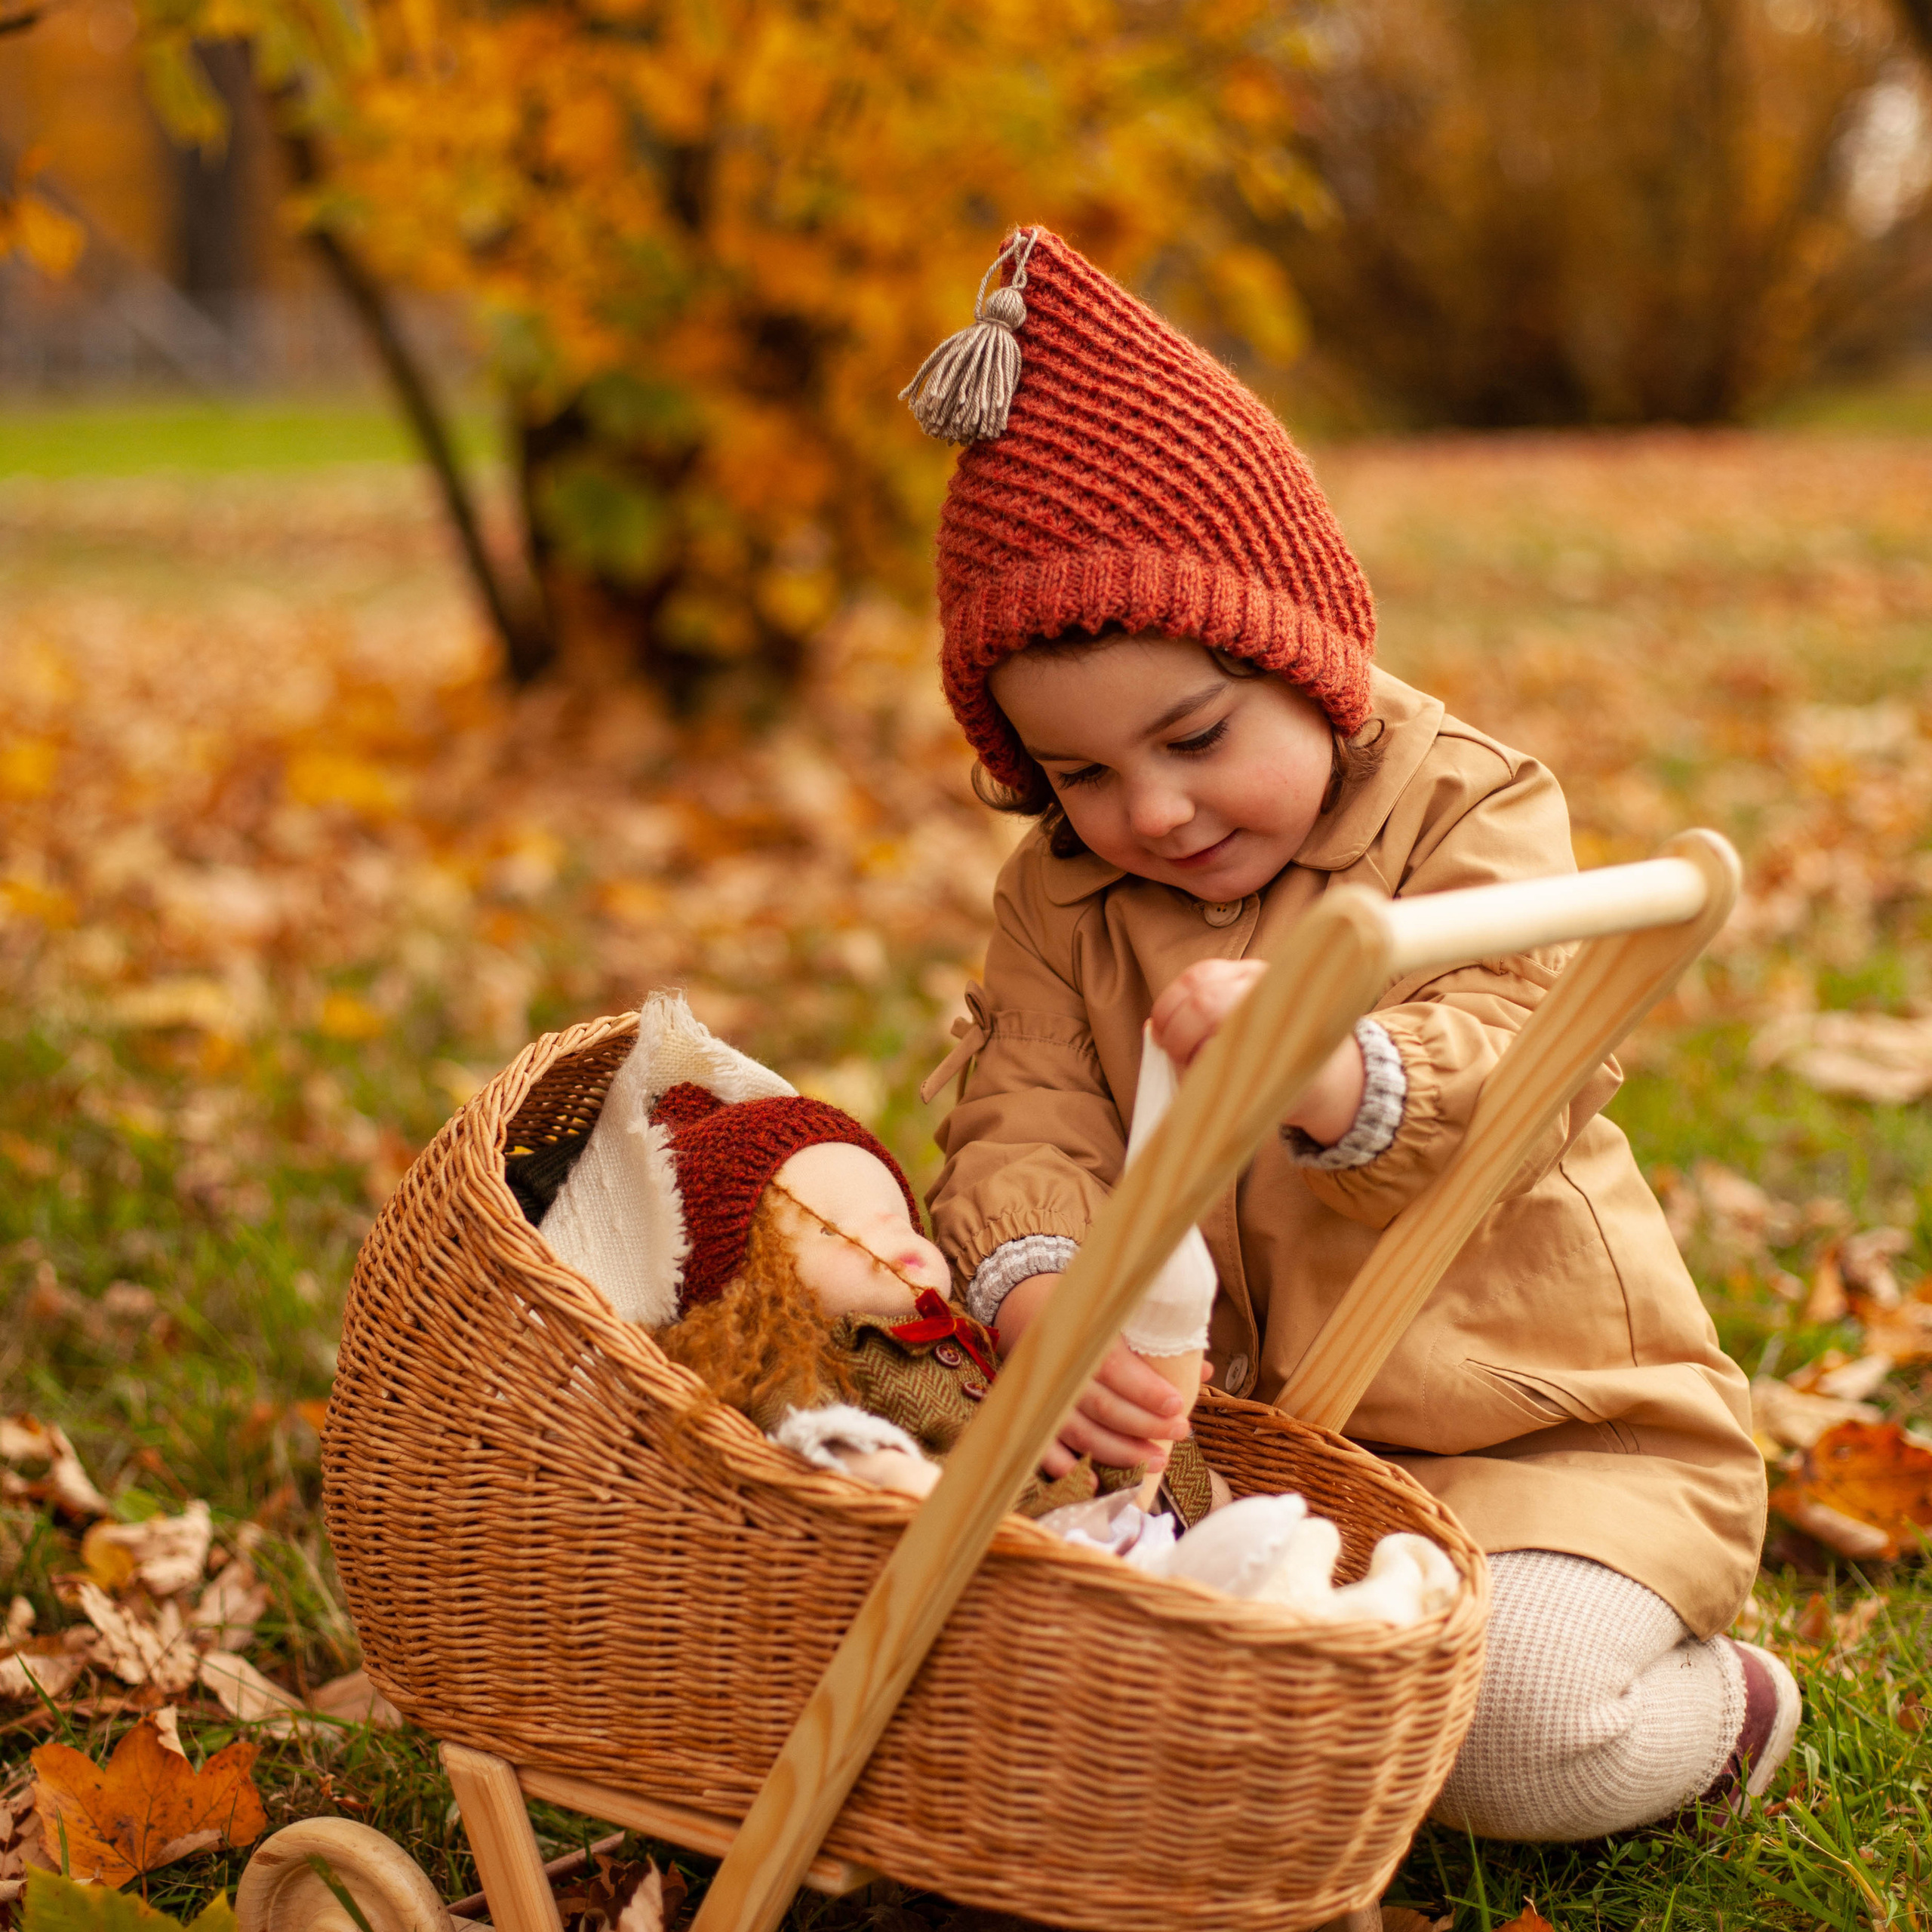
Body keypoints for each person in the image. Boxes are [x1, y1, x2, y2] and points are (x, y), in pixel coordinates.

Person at [912, 226, 1796, 1838]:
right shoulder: (1061, 898)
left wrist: (1330, 1065)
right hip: (1234, 1470)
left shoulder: (1471, 808)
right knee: (1021, 1679)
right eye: (1081, 775)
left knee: (1504, 1728)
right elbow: (1018, 1113)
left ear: (1300, 654)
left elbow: (1520, 1049)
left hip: (1535, 1446)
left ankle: (1718, 1707)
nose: (1153, 811)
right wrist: (1041, 1284)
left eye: (1192, 737)